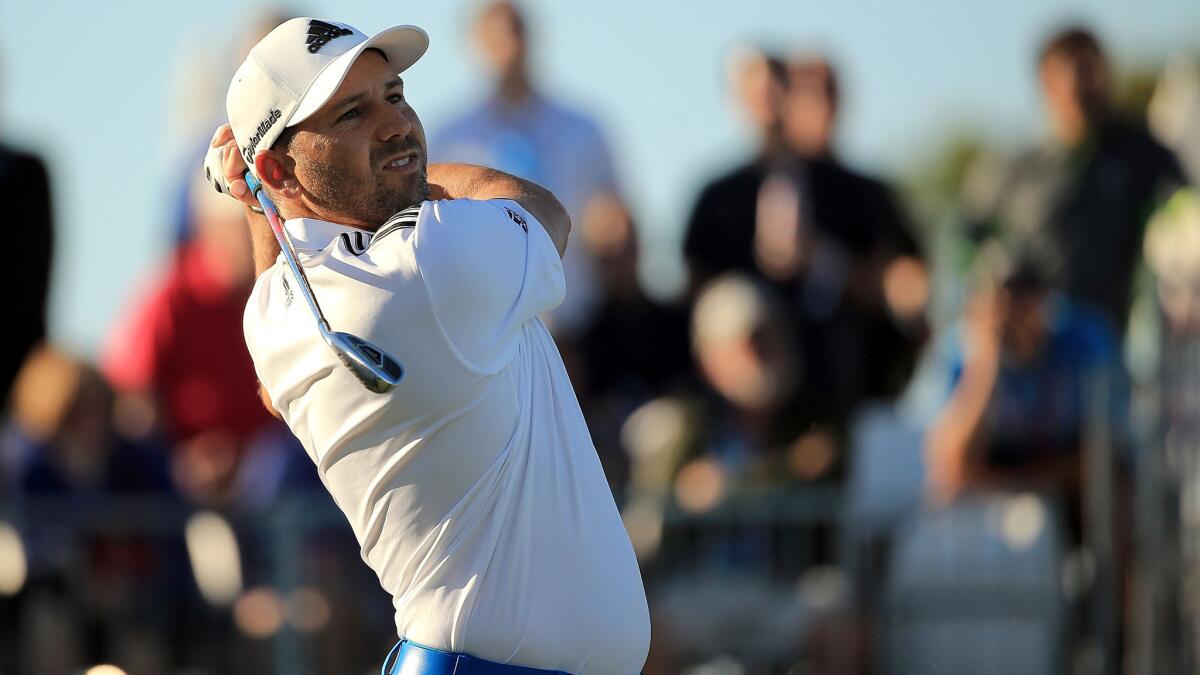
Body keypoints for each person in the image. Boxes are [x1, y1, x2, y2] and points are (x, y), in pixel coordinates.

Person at [205, 17, 649, 674]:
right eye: (352, 114)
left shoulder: (272, 313)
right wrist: (408, 169)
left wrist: (260, 201)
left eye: (394, 95)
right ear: (280, 166)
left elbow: (275, 382)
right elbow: (544, 212)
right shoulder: (431, 262)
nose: (395, 123)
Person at [964, 26, 1189, 336]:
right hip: (1035, 346)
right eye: (1079, 71)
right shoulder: (1014, 168)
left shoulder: (1140, 151)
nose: (1092, 84)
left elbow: (1183, 205)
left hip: (1115, 339)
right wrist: (992, 282)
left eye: (1097, 69)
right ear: (1047, 80)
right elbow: (965, 239)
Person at [431, 1, 621, 337]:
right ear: (475, 44)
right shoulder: (451, 137)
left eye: (516, 33)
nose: (509, 48)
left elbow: (613, 215)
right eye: (496, 37)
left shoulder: (583, 129)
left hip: (578, 315)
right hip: (487, 323)